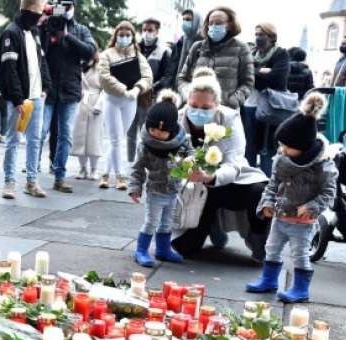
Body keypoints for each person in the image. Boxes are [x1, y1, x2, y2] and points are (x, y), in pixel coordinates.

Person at [170, 68, 270, 260]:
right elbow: (170, 155)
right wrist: (183, 168)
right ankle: (205, 229)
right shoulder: (178, 117)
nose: (198, 111)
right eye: (194, 105)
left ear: (216, 104)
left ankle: (259, 239)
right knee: (186, 250)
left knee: (259, 191)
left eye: (206, 107)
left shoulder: (230, 118)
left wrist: (212, 176)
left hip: (230, 180)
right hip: (192, 186)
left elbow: (234, 160)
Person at [246, 92, 336, 303]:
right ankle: (269, 280)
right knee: (272, 248)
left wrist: (312, 206)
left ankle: (300, 288)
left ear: (303, 146)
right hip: (280, 216)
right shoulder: (282, 159)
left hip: (302, 221)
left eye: (288, 146)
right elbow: (273, 184)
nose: (283, 150)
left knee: (299, 253)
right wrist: (267, 203)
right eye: (282, 145)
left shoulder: (322, 166)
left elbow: (329, 193)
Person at [38, 0, 97, 193]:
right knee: (40, 132)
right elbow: (40, 52)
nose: (64, 10)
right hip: (47, 88)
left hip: (70, 89)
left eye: (67, 5)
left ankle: (59, 177)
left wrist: (66, 36)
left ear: (73, 7)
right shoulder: (46, 25)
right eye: (60, 5)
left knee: (65, 135)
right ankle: (33, 175)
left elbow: (90, 51)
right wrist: (46, 28)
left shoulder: (80, 30)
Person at [0, 0, 51, 199]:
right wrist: (18, 98)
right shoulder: (10, 33)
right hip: (19, 99)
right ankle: (9, 181)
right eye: (38, 12)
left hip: (37, 96)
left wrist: (46, 86)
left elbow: (41, 61)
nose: (41, 17)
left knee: (35, 140)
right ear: (28, 10)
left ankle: (31, 181)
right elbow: (9, 70)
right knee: (13, 139)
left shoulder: (34, 33)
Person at [128, 90, 187, 267]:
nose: (157, 134)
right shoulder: (145, 144)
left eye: (162, 131)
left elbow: (190, 154)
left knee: (168, 222)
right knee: (151, 222)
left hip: (174, 189)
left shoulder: (182, 140)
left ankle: (163, 249)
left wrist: (190, 162)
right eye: (153, 129)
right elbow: (138, 167)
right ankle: (141, 250)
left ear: (172, 129)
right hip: (155, 190)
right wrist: (135, 187)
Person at [96, 21, 152, 190]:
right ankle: (120, 176)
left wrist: (136, 89)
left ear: (133, 37)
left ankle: (105, 173)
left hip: (130, 101)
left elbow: (147, 76)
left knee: (119, 138)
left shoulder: (138, 55)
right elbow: (104, 76)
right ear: (116, 35)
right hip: (112, 99)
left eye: (128, 35)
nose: (124, 38)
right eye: (121, 35)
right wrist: (122, 89)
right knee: (115, 139)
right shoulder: (107, 54)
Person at [176, 6, 254, 110]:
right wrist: (189, 96)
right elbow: (182, 78)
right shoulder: (197, 47)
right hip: (195, 110)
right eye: (211, 23)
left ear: (230, 24)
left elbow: (247, 84)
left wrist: (231, 102)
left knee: (220, 128)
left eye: (219, 23)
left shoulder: (242, 48)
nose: (213, 26)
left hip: (224, 114)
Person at [242, 22, 288, 176]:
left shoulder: (280, 53)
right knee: (249, 148)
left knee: (266, 149)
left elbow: (278, 79)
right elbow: (243, 74)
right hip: (249, 105)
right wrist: (261, 71)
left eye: (261, 34)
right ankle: (248, 184)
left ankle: (266, 184)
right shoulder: (251, 53)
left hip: (270, 107)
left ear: (271, 36)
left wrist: (255, 75)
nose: (257, 38)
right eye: (256, 34)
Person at [125, 17, 170, 163]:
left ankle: (143, 164)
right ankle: (130, 164)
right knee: (130, 133)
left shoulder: (164, 51)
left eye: (150, 30)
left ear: (157, 32)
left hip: (150, 97)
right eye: (144, 30)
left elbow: (166, 77)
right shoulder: (133, 48)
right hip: (132, 96)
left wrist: (150, 86)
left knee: (147, 133)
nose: (146, 33)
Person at [71, 52, 102, 180]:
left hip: (95, 102)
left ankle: (94, 169)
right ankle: (82, 168)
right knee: (79, 137)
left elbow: (105, 89)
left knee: (94, 137)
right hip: (80, 102)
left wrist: (99, 105)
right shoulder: (77, 66)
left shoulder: (101, 67)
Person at [163, 8, 201, 91]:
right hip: (175, 89)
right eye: (183, 19)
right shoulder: (180, 42)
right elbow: (172, 67)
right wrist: (167, 87)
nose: (184, 22)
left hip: (193, 90)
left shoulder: (203, 43)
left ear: (197, 21)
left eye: (188, 19)